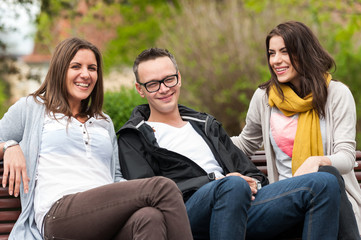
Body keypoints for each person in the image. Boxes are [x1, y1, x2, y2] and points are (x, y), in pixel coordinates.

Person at [117, 47, 342, 239]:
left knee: (324, 182)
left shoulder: (205, 124)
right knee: (231, 185)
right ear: (140, 90)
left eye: (168, 79)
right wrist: (216, 180)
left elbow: (250, 172)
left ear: (179, 77)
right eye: (153, 84)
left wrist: (252, 184)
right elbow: (147, 193)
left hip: (240, 203)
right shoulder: (133, 137)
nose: (164, 89)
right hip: (185, 215)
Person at [0, 37, 193, 240]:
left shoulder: (104, 122)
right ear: (59, 70)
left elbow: (116, 176)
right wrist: (10, 146)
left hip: (104, 218)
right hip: (60, 215)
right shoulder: (33, 107)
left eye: (92, 68)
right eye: (76, 66)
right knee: (162, 188)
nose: (85, 74)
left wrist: (132, 193)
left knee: (149, 217)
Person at [231, 21, 361, 239]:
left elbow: (346, 157)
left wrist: (316, 161)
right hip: (285, 203)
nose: (276, 60)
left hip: (336, 204)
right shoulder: (265, 98)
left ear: (305, 52)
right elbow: (244, 145)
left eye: (285, 51)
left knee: (325, 175)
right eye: (271, 53)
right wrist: (202, 140)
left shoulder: (337, 95)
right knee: (323, 178)